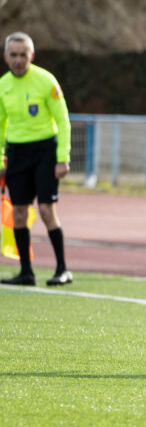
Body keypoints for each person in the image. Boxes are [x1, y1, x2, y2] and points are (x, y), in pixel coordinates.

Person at [0, 32, 72, 286]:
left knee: (45, 210)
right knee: (19, 213)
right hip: (17, 153)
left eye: (23, 55)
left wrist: (62, 157)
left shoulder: (46, 81)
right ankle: (25, 272)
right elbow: (0, 126)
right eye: (14, 55)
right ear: (6, 57)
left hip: (45, 152)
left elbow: (63, 121)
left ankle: (62, 269)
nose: (19, 60)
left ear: (32, 55)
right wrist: (0, 161)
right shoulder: (3, 85)